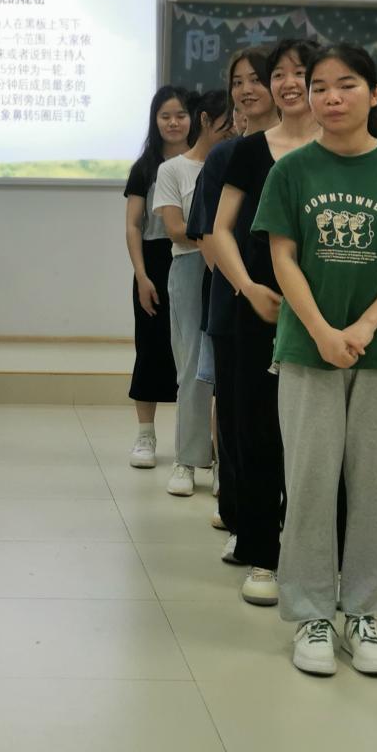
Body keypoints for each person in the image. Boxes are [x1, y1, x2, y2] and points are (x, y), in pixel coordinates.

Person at [255, 43, 377, 677]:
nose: (331, 97)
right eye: (319, 87)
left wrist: (363, 326)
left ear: (375, 93)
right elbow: (283, 257)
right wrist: (321, 330)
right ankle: (311, 613)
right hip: (307, 348)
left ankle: (364, 612)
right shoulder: (291, 170)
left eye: (347, 85)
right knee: (310, 481)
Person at [211, 39, 318, 607]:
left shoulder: (340, 149)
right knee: (257, 429)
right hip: (260, 308)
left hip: (323, 315)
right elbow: (220, 230)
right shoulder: (250, 151)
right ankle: (261, 551)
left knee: (317, 436)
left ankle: (314, 550)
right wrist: (248, 288)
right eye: (279, 74)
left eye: (300, 73)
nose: (287, 83)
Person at [193, 48, 276, 549]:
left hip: (295, 309)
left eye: (257, 79)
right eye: (237, 81)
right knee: (238, 416)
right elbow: (209, 236)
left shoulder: (308, 155)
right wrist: (243, 286)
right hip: (235, 303)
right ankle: (240, 516)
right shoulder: (225, 155)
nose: (246, 90)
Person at [152, 88, 231, 496]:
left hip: (233, 269)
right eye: (227, 125)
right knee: (191, 368)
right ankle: (187, 459)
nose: (234, 132)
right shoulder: (174, 170)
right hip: (190, 268)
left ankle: (224, 461)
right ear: (205, 120)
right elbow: (174, 228)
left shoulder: (237, 162)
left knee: (229, 371)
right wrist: (216, 238)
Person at [123, 85, 192, 468]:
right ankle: (145, 436)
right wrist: (141, 276)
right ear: (155, 121)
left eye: (180, 115)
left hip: (196, 258)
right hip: (153, 262)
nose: (173, 122)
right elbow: (133, 225)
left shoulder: (207, 160)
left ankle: (195, 439)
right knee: (150, 349)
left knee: (195, 354)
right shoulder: (145, 167)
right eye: (165, 116)